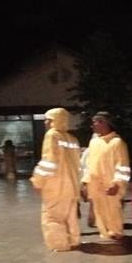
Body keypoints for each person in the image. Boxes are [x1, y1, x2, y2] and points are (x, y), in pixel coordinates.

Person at [30, 107, 81, 252]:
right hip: (71, 186)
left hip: (56, 185)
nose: (46, 122)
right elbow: (79, 165)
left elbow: (48, 162)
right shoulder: (73, 139)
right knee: (70, 215)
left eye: (49, 119)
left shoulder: (52, 136)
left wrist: (37, 180)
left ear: (55, 121)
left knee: (53, 217)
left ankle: (60, 245)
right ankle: (74, 240)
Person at [81, 111, 130, 240]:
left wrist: (117, 184)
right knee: (99, 212)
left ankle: (116, 233)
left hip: (110, 187)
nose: (93, 126)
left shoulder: (117, 142)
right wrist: (85, 183)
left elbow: (123, 166)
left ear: (104, 123)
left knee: (113, 211)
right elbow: (89, 165)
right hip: (95, 185)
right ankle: (105, 234)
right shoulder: (94, 142)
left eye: (95, 123)